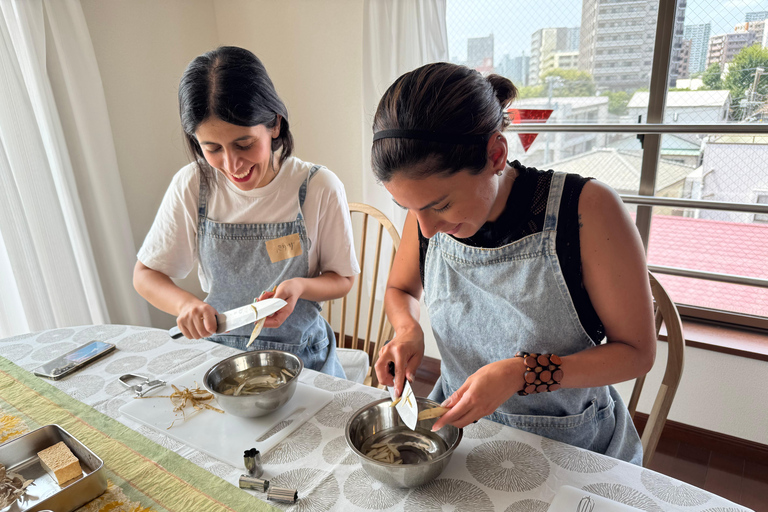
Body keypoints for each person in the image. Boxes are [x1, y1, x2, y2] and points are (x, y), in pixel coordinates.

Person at [371, 62, 656, 464]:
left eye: (441, 205)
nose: (427, 229)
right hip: (462, 434)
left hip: (573, 446)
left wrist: (524, 373)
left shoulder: (587, 210)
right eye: (408, 208)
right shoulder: (427, 212)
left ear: (496, 154)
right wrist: (406, 330)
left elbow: (637, 353)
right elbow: (400, 290)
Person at [133, 46, 359, 378]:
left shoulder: (317, 186)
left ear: (275, 125)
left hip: (304, 361)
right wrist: (186, 305)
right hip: (222, 359)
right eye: (212, 149)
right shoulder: (194, 185)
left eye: (244, 144)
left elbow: (343, 279)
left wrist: (299, 287)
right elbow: (145, 275)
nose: (232, 165)